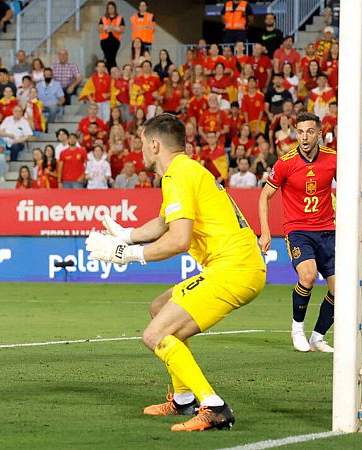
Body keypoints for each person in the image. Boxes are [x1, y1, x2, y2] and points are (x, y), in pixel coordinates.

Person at [85, 113, 266, 431]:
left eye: (142, 142)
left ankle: (214, 406)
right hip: (236, 265)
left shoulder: (177, 175)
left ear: (155, 145)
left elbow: (179, 240)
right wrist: (126, 235)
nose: (140, 149)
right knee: (159, 308)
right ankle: (183, 400)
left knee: (154, 335)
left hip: (233, 269)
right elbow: (164, 224)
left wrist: (127, 255)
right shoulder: (187, 170)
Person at [257, 112, 336, 353]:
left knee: (340, 289)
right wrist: (265, 232)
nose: (304, 137)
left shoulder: (333, 158)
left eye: (310, 132)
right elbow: (264, 196)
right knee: (308, 276)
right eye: (300, 132)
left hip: (328, 230)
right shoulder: (286, 163)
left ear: (319, 133)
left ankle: (318, 337)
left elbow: (349, 189)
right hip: (299, 230)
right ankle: (297, 329)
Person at [98, 1, 125, 69]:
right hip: (105, 40)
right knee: (108, 58)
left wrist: (114, 29)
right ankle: (113, 72)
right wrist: (106, 29)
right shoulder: (103, 18)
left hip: (115, 40)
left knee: (112, 58)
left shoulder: (120, 18)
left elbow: (122, 30)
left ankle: (112, 72)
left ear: (115, 8)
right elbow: (99, 29)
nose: (110, 9)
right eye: (109, 8)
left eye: (112, 8)